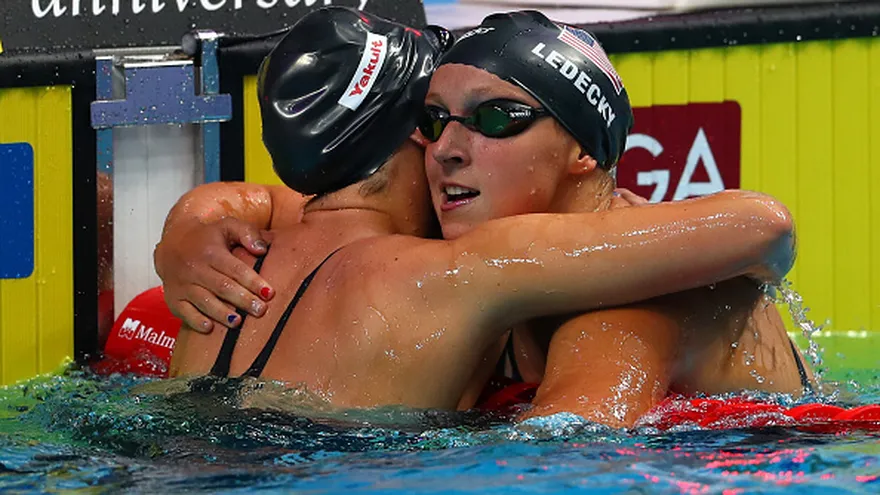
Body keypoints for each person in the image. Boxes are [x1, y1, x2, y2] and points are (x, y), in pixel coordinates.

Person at [159, 8, 797, 419]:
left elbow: (567, 462)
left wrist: (189, 221)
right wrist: (190, 226)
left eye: (495, 119)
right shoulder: (471, 262)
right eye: (432, 122)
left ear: (580, 148)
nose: (447, 149)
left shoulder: (619, 305)